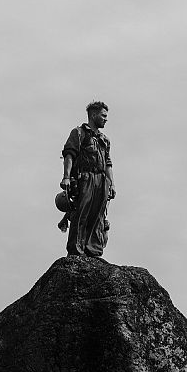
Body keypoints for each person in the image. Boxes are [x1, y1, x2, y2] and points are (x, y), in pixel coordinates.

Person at [59, 101, 116, 257]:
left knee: (98, 215)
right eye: (103, 115)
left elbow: (108, 164)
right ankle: (76, 250)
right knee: (82, 213)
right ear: (93, 115)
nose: (106, 119)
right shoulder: (78, 133)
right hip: (85, 178)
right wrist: (66, 177)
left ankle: (93, 250)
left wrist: (112, 184)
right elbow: (69, 154)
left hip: (102, 180)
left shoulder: (105, 139)